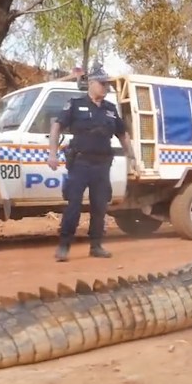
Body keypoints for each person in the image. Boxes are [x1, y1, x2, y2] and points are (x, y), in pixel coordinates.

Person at [48, 66, 136, 262]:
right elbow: (56, 127)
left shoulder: (110, 110)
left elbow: (122, 134)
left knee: (99, 207)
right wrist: (52, 154)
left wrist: (132, 156)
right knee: (74, 205)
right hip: (80, 163)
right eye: (102, 83)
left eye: (107, 84)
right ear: (91, 83)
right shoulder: (75, 104)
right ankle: (64, 246)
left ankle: (96, 246)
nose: (105, 87)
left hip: (102, 165)